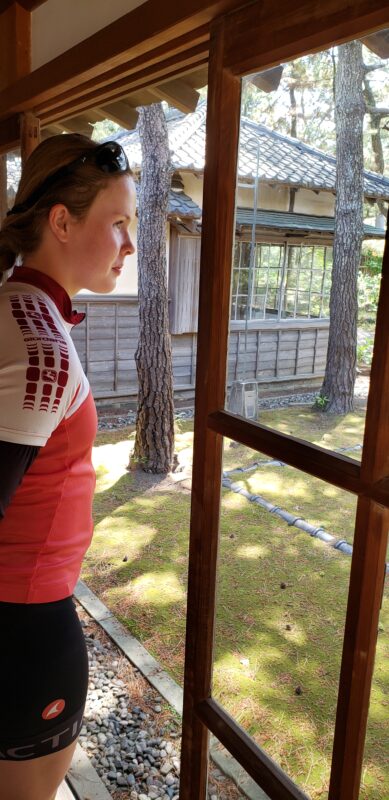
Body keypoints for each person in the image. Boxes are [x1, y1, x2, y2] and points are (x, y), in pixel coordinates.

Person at [0, 133, 136, 800]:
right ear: (61, 221)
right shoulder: (38, 347)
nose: (129, 245)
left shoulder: (15, 308)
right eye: (119, 223)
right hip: (23, 632)